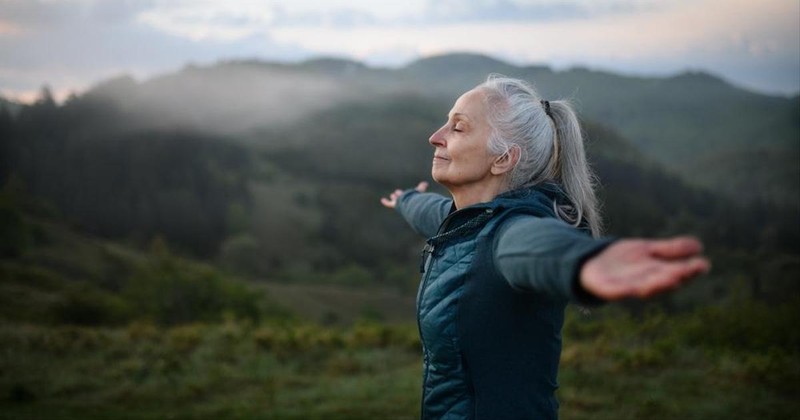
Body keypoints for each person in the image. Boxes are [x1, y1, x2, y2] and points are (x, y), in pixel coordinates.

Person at [380, 75, 710, 419]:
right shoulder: (466, 221)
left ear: (504, 159)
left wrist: (583, 262)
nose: (435, 137)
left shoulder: (508, 233)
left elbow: (536, 247)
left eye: (458, 128)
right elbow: (434, 214)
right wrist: (407, 200)